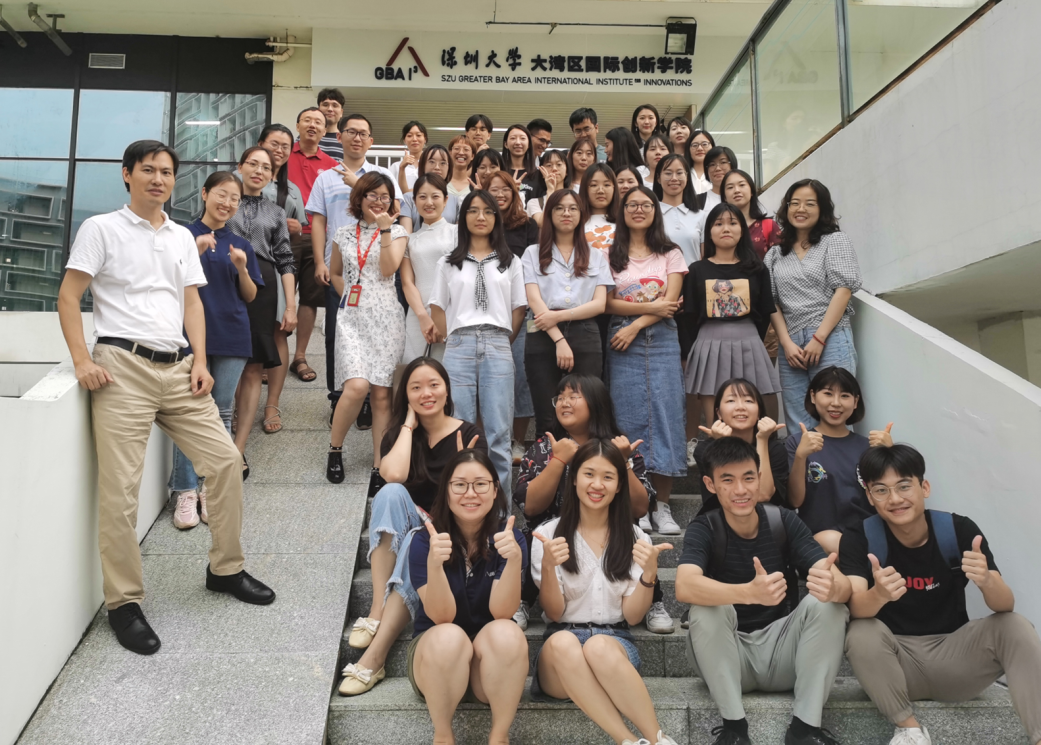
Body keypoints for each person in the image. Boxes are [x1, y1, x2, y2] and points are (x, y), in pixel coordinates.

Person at [57, 140, 275, 655]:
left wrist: (199, 359)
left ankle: (225, 569)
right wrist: (82, 361)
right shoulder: (101, 228)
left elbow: (190, 301)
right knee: (121, 490)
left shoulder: (181, 235)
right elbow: (69, 295)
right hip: (122, 367)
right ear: (127, 174)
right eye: (148, 170)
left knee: (225, 461)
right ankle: (124, 602)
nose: (158, 179)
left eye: (167, 172)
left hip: (178, 366)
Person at [842, 444, 1041, 745]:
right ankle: (909, 731)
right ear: (870, 497)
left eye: (904, 486)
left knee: (1014, 625)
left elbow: (1005, 604)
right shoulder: (860, 537)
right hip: (894, 667)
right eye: (881, 490)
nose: (894, 499)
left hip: (956, 660)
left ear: (924, 487)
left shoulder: (958, 530)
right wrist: (879, 594)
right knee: (860, 631)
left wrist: (986, 580)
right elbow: (856, 607)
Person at [676, 437, 851, 745]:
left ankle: (805, 730)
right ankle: (734, 730)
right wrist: (748, 593)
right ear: (710, 484)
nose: (740, 490)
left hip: (783, 654)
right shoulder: (705, 527)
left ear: (759, 479)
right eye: (727, 480)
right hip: (727, 658)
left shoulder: (783, 521)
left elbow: (843, 585)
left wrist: (834, 587)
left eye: (748, 478)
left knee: (829, 604)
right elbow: (684, 585)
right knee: (704, 608)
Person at [339, 357, 487, 696]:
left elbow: (476, 498)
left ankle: (375, 657)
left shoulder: (468, 434)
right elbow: (393, 475)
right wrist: (407, 425)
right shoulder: (398, 435)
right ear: (405, 395)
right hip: (413, 524)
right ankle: (377, 609)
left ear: (446, 390)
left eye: (434, 385)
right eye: (415, 387)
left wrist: (464, 464)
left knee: (417, 540)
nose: (426, 393)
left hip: (450, 533)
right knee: (390, 494)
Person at [531, 439, 680, 745]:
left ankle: (658, 740)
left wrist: (650, 574)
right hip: (560, 657)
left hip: (614, 646)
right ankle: (627, 740)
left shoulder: (636, 537)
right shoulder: (548, 535)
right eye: (589, 474)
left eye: (608, 477)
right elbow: (554, 613)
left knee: (599, 646)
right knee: (562, 642)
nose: (597, 484)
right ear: (574, 479)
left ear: (619, 485)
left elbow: (633, 616)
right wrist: (548, 565)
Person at [514, 374, 667, 634]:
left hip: (610, 531)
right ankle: (524, 599)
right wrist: (558, 460)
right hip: (557, 533)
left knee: (637, 542)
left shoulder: (620, 446)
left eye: (574, 396)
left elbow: (641, 508)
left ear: (596, 402)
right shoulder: (544, 447)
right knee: (537, 538)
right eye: (560, 397)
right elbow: (529, 506)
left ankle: (652, 600)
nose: (564, 402)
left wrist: (624, 462)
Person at [407, 448, 529, 745]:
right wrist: (435, 565)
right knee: (449, 636)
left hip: (488, 667)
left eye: (480, 484)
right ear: (446, 490)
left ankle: (499, 736)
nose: (470, 493)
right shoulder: (425, 540)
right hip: (435, 662)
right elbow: (441, 617)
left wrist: (514, 560)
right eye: (460, 484)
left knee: (508, 631)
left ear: (495, 490)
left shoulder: (510, 538)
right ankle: (443, 736)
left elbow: (502, 612)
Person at [169, 171, 262, 530]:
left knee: (222, 413)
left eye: (234, 198)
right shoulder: (181, 236)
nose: (227, 203)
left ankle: (210, 489)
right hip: (190, 337)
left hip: (233, 334)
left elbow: (250, 296)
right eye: (222, 194)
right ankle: (185, 491)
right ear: (205, 193)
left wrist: (242, 269)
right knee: (189, 413)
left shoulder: (240, 245)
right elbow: (165, 281)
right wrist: (192, 252)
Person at [306, 113, 402, 422]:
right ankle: (339, 398)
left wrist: (359, 185)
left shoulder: (381, 174)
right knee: (338, 335)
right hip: (342, 267)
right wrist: (320, 261)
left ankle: (367, 401)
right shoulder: (325, 177)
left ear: (371, 141)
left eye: (363, 133)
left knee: (374, 336)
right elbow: (318, 220)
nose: (357, 138)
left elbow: (393, 212)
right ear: (340, 137)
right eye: (351, 132)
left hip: (375, 270)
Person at [430, 190, 527, 494]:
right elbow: (437, 307)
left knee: (499, 433)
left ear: (497, 218)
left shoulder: (510, 262)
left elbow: (519, 308)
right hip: (459, 345)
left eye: (487, 211)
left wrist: (502, 340)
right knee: (458, 430)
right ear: (463, 218)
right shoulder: (448, 262)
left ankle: (501, 511)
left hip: (498, 343)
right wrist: (453, 338)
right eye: (473, 210)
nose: (480, 217)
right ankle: (460, 506)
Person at [605, 186, 687, 537]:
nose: (639, 210)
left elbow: (670, 304)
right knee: (628, 419)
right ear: (622, 211)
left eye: (646, 205)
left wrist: (637, 323)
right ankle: (637, 505)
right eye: (631, 205)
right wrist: (650, 308)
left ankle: (662, 506)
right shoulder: (610, 254)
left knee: (666, 416)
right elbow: (607, 302)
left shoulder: (671, 252)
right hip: (621, 340)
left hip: (660, 338)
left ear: (655, 210)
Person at [327, 172, 409, 493]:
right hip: (352, 319)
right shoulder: (344, 233)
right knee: (356, 386)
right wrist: (348, 296)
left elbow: (389, 269)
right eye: (372, 195)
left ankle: (379, 464)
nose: (378, 201)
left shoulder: (398, 232)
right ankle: (335, 449)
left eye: (385, 196)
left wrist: (385, 230)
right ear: (359, 198)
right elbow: (335, 272)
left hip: (387, 318)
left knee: (381, 394)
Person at [764, 179, 862, 431]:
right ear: (786, 208)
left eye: (810, 203)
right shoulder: (775, 254)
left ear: (822, 209)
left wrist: (819, 338)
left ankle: (838, 459)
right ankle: (802, 459)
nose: (801, 209)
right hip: (791, 345)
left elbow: (844, 290)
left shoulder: (835, 241)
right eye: (795, 203)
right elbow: (772, 301)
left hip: (831, 337)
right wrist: (786, 343)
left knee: (834, 411)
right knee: (798, 418)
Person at [679, 203, 780, 448]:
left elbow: (765, 312)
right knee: (716, 415)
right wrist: (689, 354)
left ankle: (761, 458)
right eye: (719, 223)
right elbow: (689, 316)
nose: (726, 228)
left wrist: (751, 338)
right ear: (709, 232)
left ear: (742, 230)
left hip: (750, 341)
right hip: (708, 343)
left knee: (758, 403)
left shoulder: (757, 268)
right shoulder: (696, 270)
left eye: (733, 223)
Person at [522, 189, 612, 435]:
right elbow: (533, 299)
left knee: (586, 411)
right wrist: (559, 339)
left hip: (585, 331)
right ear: (549, 214)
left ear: (581, 214)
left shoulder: (596, 255)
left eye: (573, 208)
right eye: (559, 208)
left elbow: (600, 304)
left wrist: (559, 316)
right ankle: (549, 459)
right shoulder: (532, 253)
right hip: (541, 331)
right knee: (547, 415)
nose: (566, 213)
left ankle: (584, 460)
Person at [230, 147, 297, 465]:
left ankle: (239, 448)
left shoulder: (276, 212)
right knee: (227, 359)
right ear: (240, 167)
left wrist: (290, 306)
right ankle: (225, 424)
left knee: (254, 365)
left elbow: (285, 259)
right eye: (253, 164)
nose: (258, 171)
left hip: (264, 285)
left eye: (266, 167)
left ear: (272, 175)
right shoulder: (223, 200)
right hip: (223, 282)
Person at [786, 366, 893, 554]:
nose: (836, 403)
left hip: (867, 539)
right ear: (813, 396)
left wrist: (890, 454)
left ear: (855, 402)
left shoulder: (868, 446)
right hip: (819, 543)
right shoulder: (797, 443)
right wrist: (801, 456)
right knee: (831, 541)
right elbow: (795, 501)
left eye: (844, 396)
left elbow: (890, 496)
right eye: (828, 394)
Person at [485, 171, 540, 461]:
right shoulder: (480, 224)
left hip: (520, 308)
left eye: (505, 188)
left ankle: (517, 441)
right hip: (485, 310)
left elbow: (535, 266)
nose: (500, 194)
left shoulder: (528, 225)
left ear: (515, 192)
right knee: (489, 378)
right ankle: (490, 438)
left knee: (520, 377)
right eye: (493, 189)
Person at [286, 107, 338, 388]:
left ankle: (300, 356)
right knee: (280, 296)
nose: (313, 125)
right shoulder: (283, 156)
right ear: (298, 125)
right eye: (307, 120)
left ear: (324, 130)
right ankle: (272, 358)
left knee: (309, 299)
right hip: (283, 236)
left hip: (317, 237)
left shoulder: (331, 164)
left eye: (318, 122)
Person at [692, 378, 788, 516]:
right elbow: (732, 493)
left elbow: (762, 495)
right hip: (719, 520)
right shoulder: (705, 450)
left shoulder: (775, 450)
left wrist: (762, 439)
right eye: (731, 401)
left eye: (748, 401)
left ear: (759, 412)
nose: (740, 407)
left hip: (766, 520)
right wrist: (723, 443)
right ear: (719, 413)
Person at [400, 174, 455, 364]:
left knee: (448, 372)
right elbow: (407, 282)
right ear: (414, 201)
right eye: (422, 197)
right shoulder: (410, 239)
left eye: (435, 196)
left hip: (451, 314)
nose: (429, 202)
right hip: (418, 315)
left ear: (446, 200)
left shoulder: (457, 233)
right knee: (415, 368)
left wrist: (441, 319)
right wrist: (423, 317)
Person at [258, 123, 308, 242]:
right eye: (274, 144)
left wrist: (297, 229)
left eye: (285, 147)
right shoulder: (240, 179)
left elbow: (298, 235)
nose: (279, 150)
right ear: (260, 144)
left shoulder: (293, 190)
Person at [653, 154, 704, 265]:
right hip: (659, 275)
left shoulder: (701, 215)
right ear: (658, 178)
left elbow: (705, 257)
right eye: (668, 173)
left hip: (692, 275)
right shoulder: (651, 214)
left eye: (679, 173)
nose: (674, 178)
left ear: (687, 177)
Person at [398, 145, 461, 232]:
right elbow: (406, 235)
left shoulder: (456, 201)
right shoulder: (408, 199)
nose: (437, 167)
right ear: (423, 165)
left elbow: (458, 234)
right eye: (432, 162)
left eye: (443, 163)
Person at [580, 162, 619, 254]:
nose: (600, 191)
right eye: (594, 185)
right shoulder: (576, 222)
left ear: (614, 188)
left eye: (607, 185)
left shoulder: (625, 221)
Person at [525, 148, 567, 226]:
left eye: (559, 164)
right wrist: (550, 191)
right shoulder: (535, 203)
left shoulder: (576, 199)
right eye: (549, 165)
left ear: (567, 170)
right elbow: (542, 223)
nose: (554, 169)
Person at [501, 123, 540, 200]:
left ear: (529, 144)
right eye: (513, 138)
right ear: (506, 144)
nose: (518, 142)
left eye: (522, 138)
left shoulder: (538, 175)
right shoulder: (499, 173)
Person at [390, 120, 427, 194]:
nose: (414, 139)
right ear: (404, 140)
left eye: (418, 135)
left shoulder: (431, 164)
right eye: (409, 136)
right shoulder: (396, 166)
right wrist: (402, 167)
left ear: (425, 139)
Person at [699, 145, 737, 217]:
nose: (717, 168)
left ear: (732, 166)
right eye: (712, 164)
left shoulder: (740, 197)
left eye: (723, 162)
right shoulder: (698, 201)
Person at [316, 88, 345, 160]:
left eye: (335, 105)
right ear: (318, 109)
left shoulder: (346, 140)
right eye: (325, 105)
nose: (330, 109)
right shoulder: (306, 136)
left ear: (341, 112)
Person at [686, 129, 715, 194]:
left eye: (704, 144)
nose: (700, 148)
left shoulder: (718, 173)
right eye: (695, 145)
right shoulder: (683, 174)